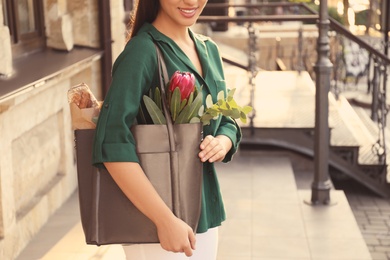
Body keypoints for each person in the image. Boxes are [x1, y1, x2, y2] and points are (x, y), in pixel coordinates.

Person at [92, 0, 242, 258]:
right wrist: (164, 220)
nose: (191, 2)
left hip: (203, 214)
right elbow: (111, 142)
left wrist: (223, 141)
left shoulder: (209, 49)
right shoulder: (142, 52)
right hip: (155, 224)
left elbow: (227, 117)